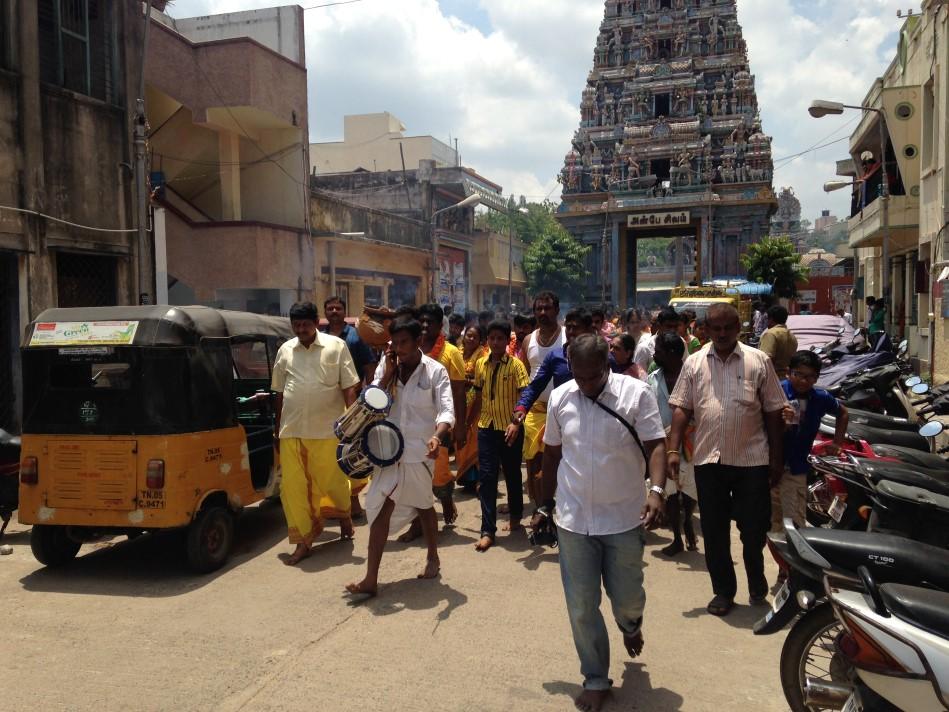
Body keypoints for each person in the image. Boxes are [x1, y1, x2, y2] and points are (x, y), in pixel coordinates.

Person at [534, 334, 667, 712]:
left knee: (627, 598)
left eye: (595, 376)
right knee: (581, 605)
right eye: (580, 376)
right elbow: (552, 453)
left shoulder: (636, 394)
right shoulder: (561, 398)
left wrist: (656, 490)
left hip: (624, 517)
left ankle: (630, 624)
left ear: (607, 364)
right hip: (574, 519)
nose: (587, 384)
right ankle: (595, 677)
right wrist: (545, 505)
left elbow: (656, 444)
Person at [667, 303, 787, 616]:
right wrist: (672, 448)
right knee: (715, 530)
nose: (721, 334)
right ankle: (723, 591)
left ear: (738, 328)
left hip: (753, 461)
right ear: (705, 328)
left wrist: (776, 459)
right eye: (715, 328)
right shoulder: (694, 363)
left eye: (727, 328)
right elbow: (682, 408)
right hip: (709, 461)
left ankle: (756, 577)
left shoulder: (758, 361)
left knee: (754, 529)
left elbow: (774, 411)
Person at [345, 316, 455, 598]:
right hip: (388, 450)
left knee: (424, 505)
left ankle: (432, 555)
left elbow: (446, 411)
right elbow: (370, 401)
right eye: (394, 342)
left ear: (419, 341)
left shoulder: (435, 372)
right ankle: (371, 579)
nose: (398, 347)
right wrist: (386, 375)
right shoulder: (387, 364)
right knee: (381, 505)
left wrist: (437, 437)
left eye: (404, 342)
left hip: (421, 451)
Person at [272, 302, 362, 566]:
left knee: (334, 482)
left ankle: (344, 515)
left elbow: (349, 387)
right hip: (292, 432)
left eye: (306, 324)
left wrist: (352, 425)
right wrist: (277, 430)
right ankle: (303, 542)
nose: (301, 329)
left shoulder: (336, 346)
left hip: (328, 432)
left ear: (316, 322)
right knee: (292, 488)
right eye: (296, 325)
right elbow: (279, 393)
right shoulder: (285, 350)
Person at [398, 303, 467, 537]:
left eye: (431, 322)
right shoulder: (406, 350)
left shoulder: (451, 352)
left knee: (438, 472)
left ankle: (446, 499)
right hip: (412, 425)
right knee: (415, 478)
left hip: (441, 426)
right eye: (422, 321)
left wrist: (460, 428)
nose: (426, 325)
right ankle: (418, 523)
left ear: (440, 325)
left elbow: (458, 392)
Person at [469, 320, 530, 551]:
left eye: (500, 338)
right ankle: (487, 531)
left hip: (510, 428)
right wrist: (466, 424)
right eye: (492, 338)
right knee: (487, 479)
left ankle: (515, 516)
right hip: (486, 428)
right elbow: (477, 397)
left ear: (507, 341)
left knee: (513, 474)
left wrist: (516, 422)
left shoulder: (516, 366)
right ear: (488, 340)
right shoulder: (481, 365)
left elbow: (524, 398)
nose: (495, 342)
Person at [775, 351, 849, 535]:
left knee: (795, 524)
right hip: (769, 465)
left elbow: (843, 413)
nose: (803, 381)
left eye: (810, 377)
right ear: (788, 373)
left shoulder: (820, 398)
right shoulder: (776, 391)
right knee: (770, 522)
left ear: (816, 378)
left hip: (796, 468)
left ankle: (788, 564)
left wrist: (837, 442)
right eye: (798, 375)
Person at [648, 332, 698, 556]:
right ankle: (677, 537)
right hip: (662, 441)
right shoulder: (652, 378)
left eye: (658, 351)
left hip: (692, 441)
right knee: (668, 490)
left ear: (671, 353)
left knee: (689, 490)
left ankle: (688, 521)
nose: (654, 354)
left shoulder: (694, 375)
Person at [518, 292, 566, 507]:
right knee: (534, 462)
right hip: (535, 412)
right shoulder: (528, 340)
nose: (543, 313)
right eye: (539, 309)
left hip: (563, 411)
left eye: (547, 308)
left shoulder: (567, 337)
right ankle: (540, 509)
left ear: (556, 310)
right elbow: (527, 378)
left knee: (561, 461)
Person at [454, 324, 488, 489]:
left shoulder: (483, 355)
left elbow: (485, 380)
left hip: (477, 402)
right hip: (458, 401)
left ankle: (480, 480)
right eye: (469, 335)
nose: (471, 339)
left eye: (475, 337)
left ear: (480, 340)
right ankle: (466, 478)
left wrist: (467, 381)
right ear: (464, 336)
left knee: (474, 439)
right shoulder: (456, 352)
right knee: (461, 437)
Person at [322, 296, 378, 384]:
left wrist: (369, 391)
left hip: (353, 392)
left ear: (345, 313)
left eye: (338, 308)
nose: (334, 311)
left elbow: (369, 366)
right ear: (325, 313)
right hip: (327, 393)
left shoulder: (358, 335)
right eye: (330, 309)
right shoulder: (320, 338)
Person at [759, 305, 798, 380]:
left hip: (772, 379)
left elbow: (766, 359)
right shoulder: (791, 335)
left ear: (771, 319)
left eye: (767, 319)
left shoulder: (770, 334)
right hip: (786, 378)